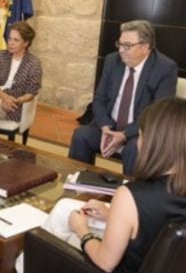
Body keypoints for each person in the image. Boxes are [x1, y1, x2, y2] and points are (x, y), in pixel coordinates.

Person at [49, 97, 186, 273]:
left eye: (140, 135)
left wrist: (82, 230)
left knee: (60, 229)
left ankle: (26, 272)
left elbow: (105, 262)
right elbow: (161, 225)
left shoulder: (131, 195)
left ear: (153, 142)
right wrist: (111, 215)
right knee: (64, 207)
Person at [69, 19, 178, 175]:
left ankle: (130, 195)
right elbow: (99, 99)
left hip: (139, 132)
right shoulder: (112, 61)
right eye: (120, 44)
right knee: (81, 135)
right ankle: (78, 182)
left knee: (134, 149)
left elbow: (158, 114)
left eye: (127, 45)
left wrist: (125, 134)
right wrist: (105, 127)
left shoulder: (165, 68)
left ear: (145, 47)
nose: (121, 50)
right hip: (109, 127)